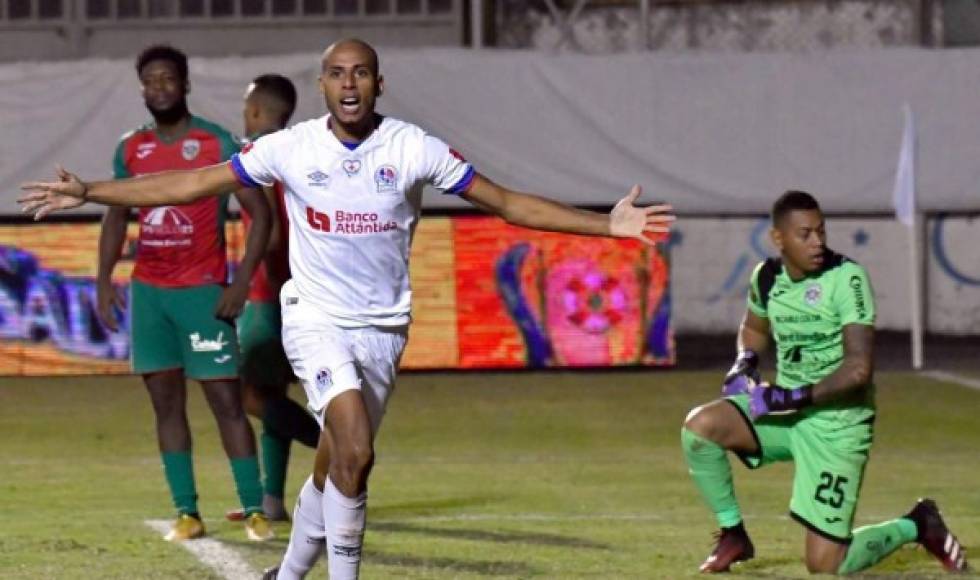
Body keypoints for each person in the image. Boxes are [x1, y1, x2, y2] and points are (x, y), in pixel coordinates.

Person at [20, 38, 674, 579]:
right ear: (324, 85)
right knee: (356, 443)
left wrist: (608, 226)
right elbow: (192, 181)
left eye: (360, 72)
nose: (349, 83)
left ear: (378, 84)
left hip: (384, 328)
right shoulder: (293, 147)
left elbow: (505, 203)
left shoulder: (412, 147)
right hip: (315, 318)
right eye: (337, 74)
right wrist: (94, 191)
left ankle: (290, 572)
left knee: (338, 460)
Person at [680, 190, 968, 575]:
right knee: (700, 428)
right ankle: (734, 533)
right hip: (787, 416)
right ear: (778, 239)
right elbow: (752, 326)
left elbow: (858, 369)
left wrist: (790, 397)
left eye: (821, 231)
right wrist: (745, 361)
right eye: (805, 234)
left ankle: (917, 523)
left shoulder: (847, 279)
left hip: (838, 425)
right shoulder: (766, 277)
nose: (818, 242)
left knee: (827, 565)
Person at [96, 45, 273, 542]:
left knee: (226, 402)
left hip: (202, 293)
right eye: (149, 81)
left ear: (185, 84)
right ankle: (187, 513)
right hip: (151, 295)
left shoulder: (215, 142)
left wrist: (240, 282)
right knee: (165, 407)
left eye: (167, 79)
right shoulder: (131, 149)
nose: (158, 88)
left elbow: (261, 215)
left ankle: (254, 508)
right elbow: (115, 216)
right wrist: (103, 278)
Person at [226, 74, 321, 522]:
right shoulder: (304, 154)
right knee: (273, 391)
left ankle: (334, 444)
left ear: (259, 112)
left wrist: (246, 281)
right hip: (304, 291)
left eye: (248, 108)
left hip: (267, 293)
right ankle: (272, 501)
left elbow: (271, 230)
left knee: (249, 397)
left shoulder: (258, 156)